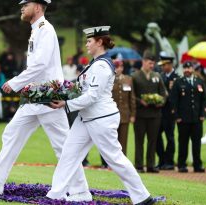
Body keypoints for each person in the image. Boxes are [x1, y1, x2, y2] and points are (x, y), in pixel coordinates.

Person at [0, 0, 89, 200]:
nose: (22, 7)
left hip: (48, 96)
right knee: (12, 133)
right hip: (36, 95)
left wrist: (15, 83)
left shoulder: (45, 29)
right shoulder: (36, 30)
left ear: (39, 7)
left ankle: (81, 191)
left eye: (26, 4)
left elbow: (40, 64)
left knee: (63, 146)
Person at [46, 26, 156, 205]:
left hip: (101, 119)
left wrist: (66, 104)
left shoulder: (102, 66)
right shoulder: (94, 63)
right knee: (68, 154)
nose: (87, 44)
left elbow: (91, 97)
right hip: (87, 117)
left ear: (99, 42)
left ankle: (143, 196)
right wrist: (60, 91)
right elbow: (81, 89)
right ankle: (58, 194)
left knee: (114, 158)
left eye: (89, 41)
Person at [132, 52, 168, 173]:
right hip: (140, 114)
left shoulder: (157, 75)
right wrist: (140, 101)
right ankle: (139, 165)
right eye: (149, 63)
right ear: (144, 62)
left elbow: (164, 93)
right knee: (139, 140)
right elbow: (131, 96)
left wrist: (160, 101)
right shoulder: (135, 76)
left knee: (153, 140)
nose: (152, 66)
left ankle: (151, 165)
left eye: (153, 63)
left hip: (155, 114)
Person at [171, 61, 206, 173]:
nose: (187, 70)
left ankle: (197, 164)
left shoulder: (199, 82)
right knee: (183, 143)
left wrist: (202, 114)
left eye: (189, 68)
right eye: (185, 68)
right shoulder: (178, 82)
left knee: (197, 142)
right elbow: (173, 101)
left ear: (193, 69)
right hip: (183, 119)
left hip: (196, 118)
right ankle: (182, 164)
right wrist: (176, 116)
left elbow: (204, 100)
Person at [100, 59, 136, 169]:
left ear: (123, 68)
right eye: (116, 67)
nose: (118, 69)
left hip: (124, 114)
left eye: (120, 67)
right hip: (110, 115)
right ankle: (109, 163)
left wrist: (133, 114)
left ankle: (122, 163)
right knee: (110, 140)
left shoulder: (128, 79)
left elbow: (132, 98)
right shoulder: (108, 79)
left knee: (123, 140)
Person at [156, 51, 179, 170]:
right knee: (156, 136)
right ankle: (161, 159)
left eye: (164, 65)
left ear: (170, 64)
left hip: (170, 113)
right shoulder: (160, 76)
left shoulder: (177, 78)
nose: (163, 67)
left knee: (170, 137)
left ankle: (169, 161)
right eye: (162, 65)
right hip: (159, 112)